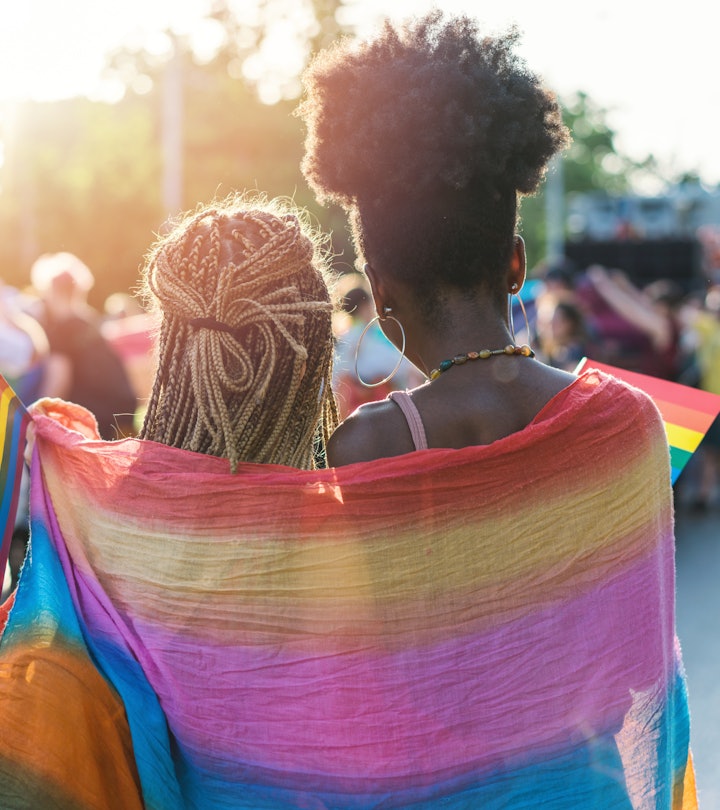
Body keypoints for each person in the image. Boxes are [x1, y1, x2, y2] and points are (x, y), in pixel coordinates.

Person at [298, 10, 696, 806]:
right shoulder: (628, 418)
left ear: (382, 293)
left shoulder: (368, 443)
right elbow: (634, 660)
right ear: (516, 262)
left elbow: (360, 660)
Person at [29, 251, 139, 439]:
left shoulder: (62, 329)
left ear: (51, 290)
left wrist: (33, 417)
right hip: (120, 412)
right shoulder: (90, 322)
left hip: (92, 421)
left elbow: (58, 380)